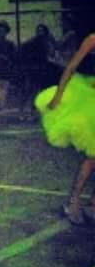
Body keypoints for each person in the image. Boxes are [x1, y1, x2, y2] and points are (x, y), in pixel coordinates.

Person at [35, 32, 95, 225]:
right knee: (93, 156)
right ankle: (73, 202)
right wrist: (59, 95)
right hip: (87, 96)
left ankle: (92, 204)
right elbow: (71, 67)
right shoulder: (92, 39)